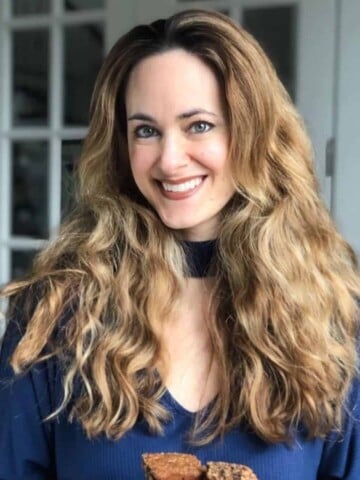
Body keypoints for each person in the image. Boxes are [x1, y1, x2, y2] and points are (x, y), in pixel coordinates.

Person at [0, 9, 359, 480]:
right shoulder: (53, 316)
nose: (170, 161)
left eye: (200, 125)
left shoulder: (332, 319)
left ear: (253, 133)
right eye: (146, 131)